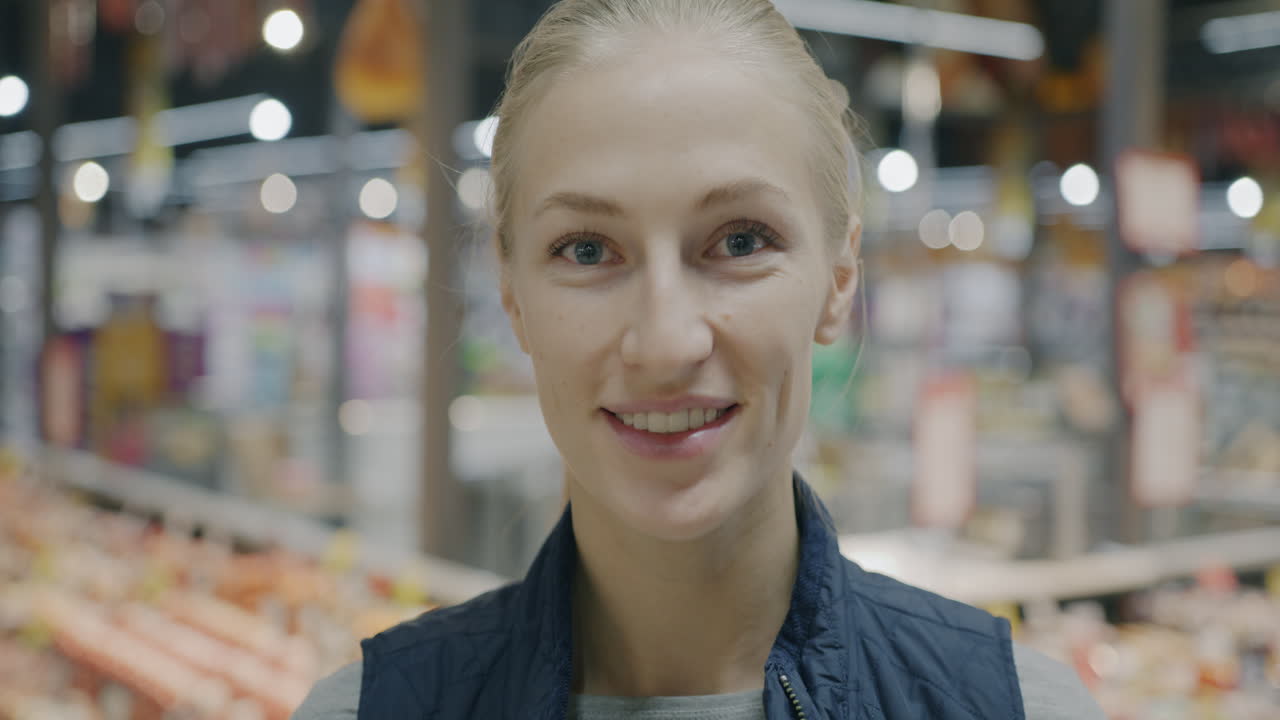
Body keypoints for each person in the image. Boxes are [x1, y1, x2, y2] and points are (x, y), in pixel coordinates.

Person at [294, 1, 1104, 717]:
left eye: (741, 242)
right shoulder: (365, 711)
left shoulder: (1014, 707)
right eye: (586, 249)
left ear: (840, 279)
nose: (666, 342)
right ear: (512, 297)